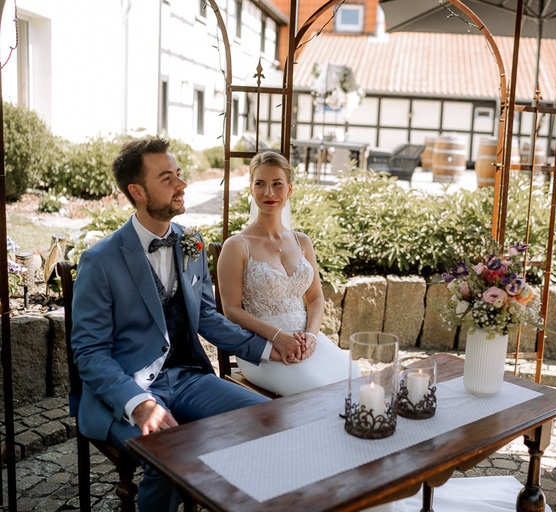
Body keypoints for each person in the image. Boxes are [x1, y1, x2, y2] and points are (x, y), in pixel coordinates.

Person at [71, 138, 302, 511]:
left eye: (178, 174)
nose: (182, 185)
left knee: (267, 420)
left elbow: (207, 316)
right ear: (137, 191)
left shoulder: (190, 241)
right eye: (167, 178)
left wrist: (263, 347)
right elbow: (89, 352)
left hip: (189, 378)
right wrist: (138, 403)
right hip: (129, 389)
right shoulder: (100, 261)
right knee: (170, 456)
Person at [217, 151, 359, 395]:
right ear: (251, 189)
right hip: (262, 349)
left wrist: (311, 338)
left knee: (353, 376)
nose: (269, 193)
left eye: (277, 184)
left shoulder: (302, 241)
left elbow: (315, 299)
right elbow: (232, 311)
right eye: (260, 184)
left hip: (306, 340)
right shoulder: (237, 245)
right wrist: (278, 337)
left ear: (290, 189)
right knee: (316, 390)